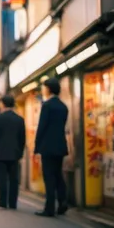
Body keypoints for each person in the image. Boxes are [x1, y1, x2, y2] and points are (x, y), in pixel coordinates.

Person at [34, 78, 69, 217]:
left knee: (49, 176)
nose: (43, 90)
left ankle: (49, 208)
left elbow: (42, 127)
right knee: (58, 174)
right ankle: (62, 202)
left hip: (48, 146)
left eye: (44, 87)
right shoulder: (63, 106)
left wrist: (37, 147)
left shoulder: (47, 105)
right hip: (60, 145)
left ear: (48, 89)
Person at [0, 95, 26, 210]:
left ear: (3, 104)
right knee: (14, 180)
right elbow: (22, 138)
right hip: (15, 154)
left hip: (0, 153)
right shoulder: (19, 119)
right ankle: (13, 203)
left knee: (2, 179)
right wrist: (20, 152)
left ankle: (2, 202)